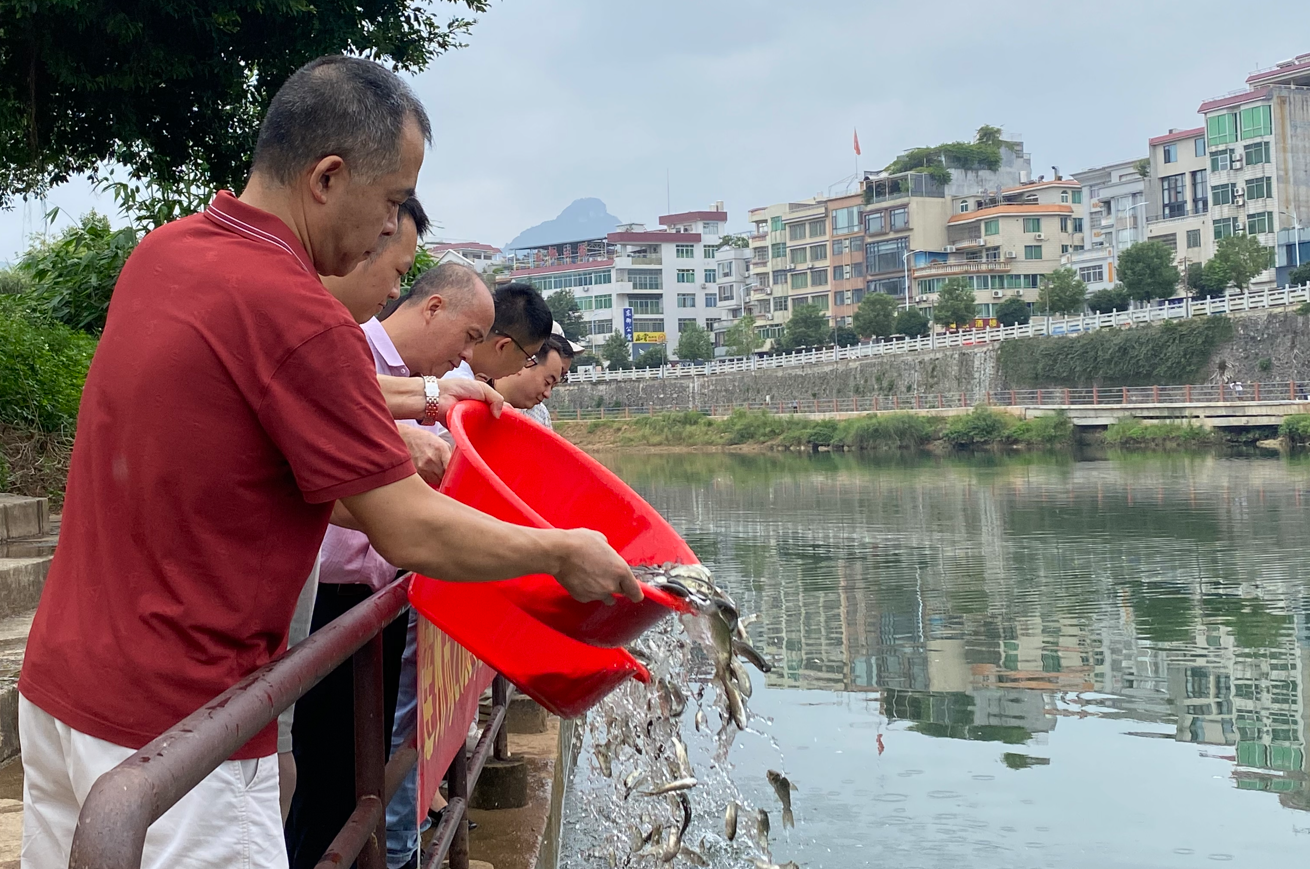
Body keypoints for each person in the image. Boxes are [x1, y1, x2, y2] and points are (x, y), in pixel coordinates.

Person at [17, 55, 639, 869]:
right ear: (327, 178)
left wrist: (416, 411)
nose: (391, 231)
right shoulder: (299, 313)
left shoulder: (164, 254)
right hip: (178, 730)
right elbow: (408, 530)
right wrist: (562, 551)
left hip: (61, 699)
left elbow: (256, 480)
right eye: (388, 204)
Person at [286, 262, 495, 869]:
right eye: (468, 337)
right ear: (433, 307)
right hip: (330, 599)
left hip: (375, 600)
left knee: (361, 780)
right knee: (324, 785)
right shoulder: (341, 343)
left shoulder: (415, 382)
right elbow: (376, 496)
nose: (465, 355)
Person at [276, 195, 435, 821]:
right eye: (395, 269)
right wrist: (555, 553)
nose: (395, 286)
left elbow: (341, 497)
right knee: (313, 784)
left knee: (319, 780)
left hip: (303, 611)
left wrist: (429, 398)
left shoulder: (320, 329)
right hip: (279, 624)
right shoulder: (298, 319)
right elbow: (398, 520)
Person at [520, 324, 582, 429]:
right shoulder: (486, 397)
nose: (548, 393)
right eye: (548, 380)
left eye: (562, 376)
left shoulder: (541, 414)